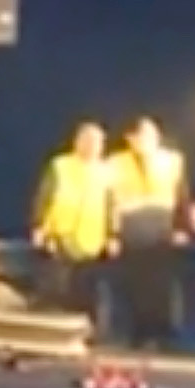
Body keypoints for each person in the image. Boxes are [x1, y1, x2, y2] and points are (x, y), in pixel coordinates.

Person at [105, 117, 190, 351]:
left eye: (151, 135)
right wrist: (112, 234)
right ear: (130, 139)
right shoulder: (115, 163)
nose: (147, 140)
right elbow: (108, 201)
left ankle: (163, 332)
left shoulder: (172, 160)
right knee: (135, 283)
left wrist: (181, 227)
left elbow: (182, 195)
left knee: (162, 283)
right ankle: (138, 332)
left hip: (161, 225)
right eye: (141, 135)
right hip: (132, 227)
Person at [31, 122, 112, 325]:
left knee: (89, 291)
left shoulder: (107, 171)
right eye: (87, 141)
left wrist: (113, 235)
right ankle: (51, 329)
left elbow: (113, 205)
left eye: (96, 142)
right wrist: (39, 226)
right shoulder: (60, 165)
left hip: (93, 240)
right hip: (61, 236)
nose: (92, 146)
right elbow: (44, 196)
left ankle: (89, 332)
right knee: (56, 287)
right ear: (76, 142)